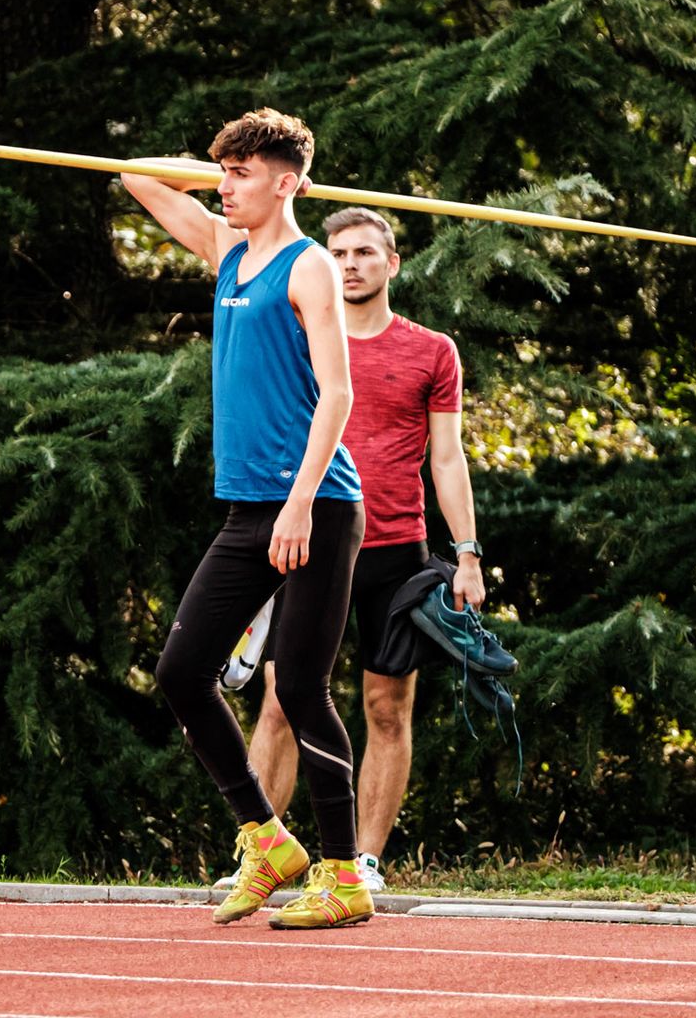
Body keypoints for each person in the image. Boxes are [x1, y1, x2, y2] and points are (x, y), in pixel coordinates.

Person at [124, 108, 373, 930]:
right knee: (181, 672)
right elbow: (134, 173)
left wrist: (300, 502)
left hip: (317, 504)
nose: (225, 188)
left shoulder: (310, 268)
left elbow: (338, 394)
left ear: (287, 184)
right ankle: (267, 840)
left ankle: (344, 875)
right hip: (247, 508)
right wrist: (219, 168)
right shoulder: (226, 250)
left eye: (240, 174)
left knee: (298, 686)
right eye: (221, 173)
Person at [237, 206, 498, 895]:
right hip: (309, 543)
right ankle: (262, 855)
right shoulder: (300, 336)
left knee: (387, 708)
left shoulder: (433, 351)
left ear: (393, 263)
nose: (350, 264)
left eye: (363, 252)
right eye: (339, 253)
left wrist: (467, 554)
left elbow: (447, 459)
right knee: (280, 701)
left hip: (395, 553)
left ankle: (363, 863)